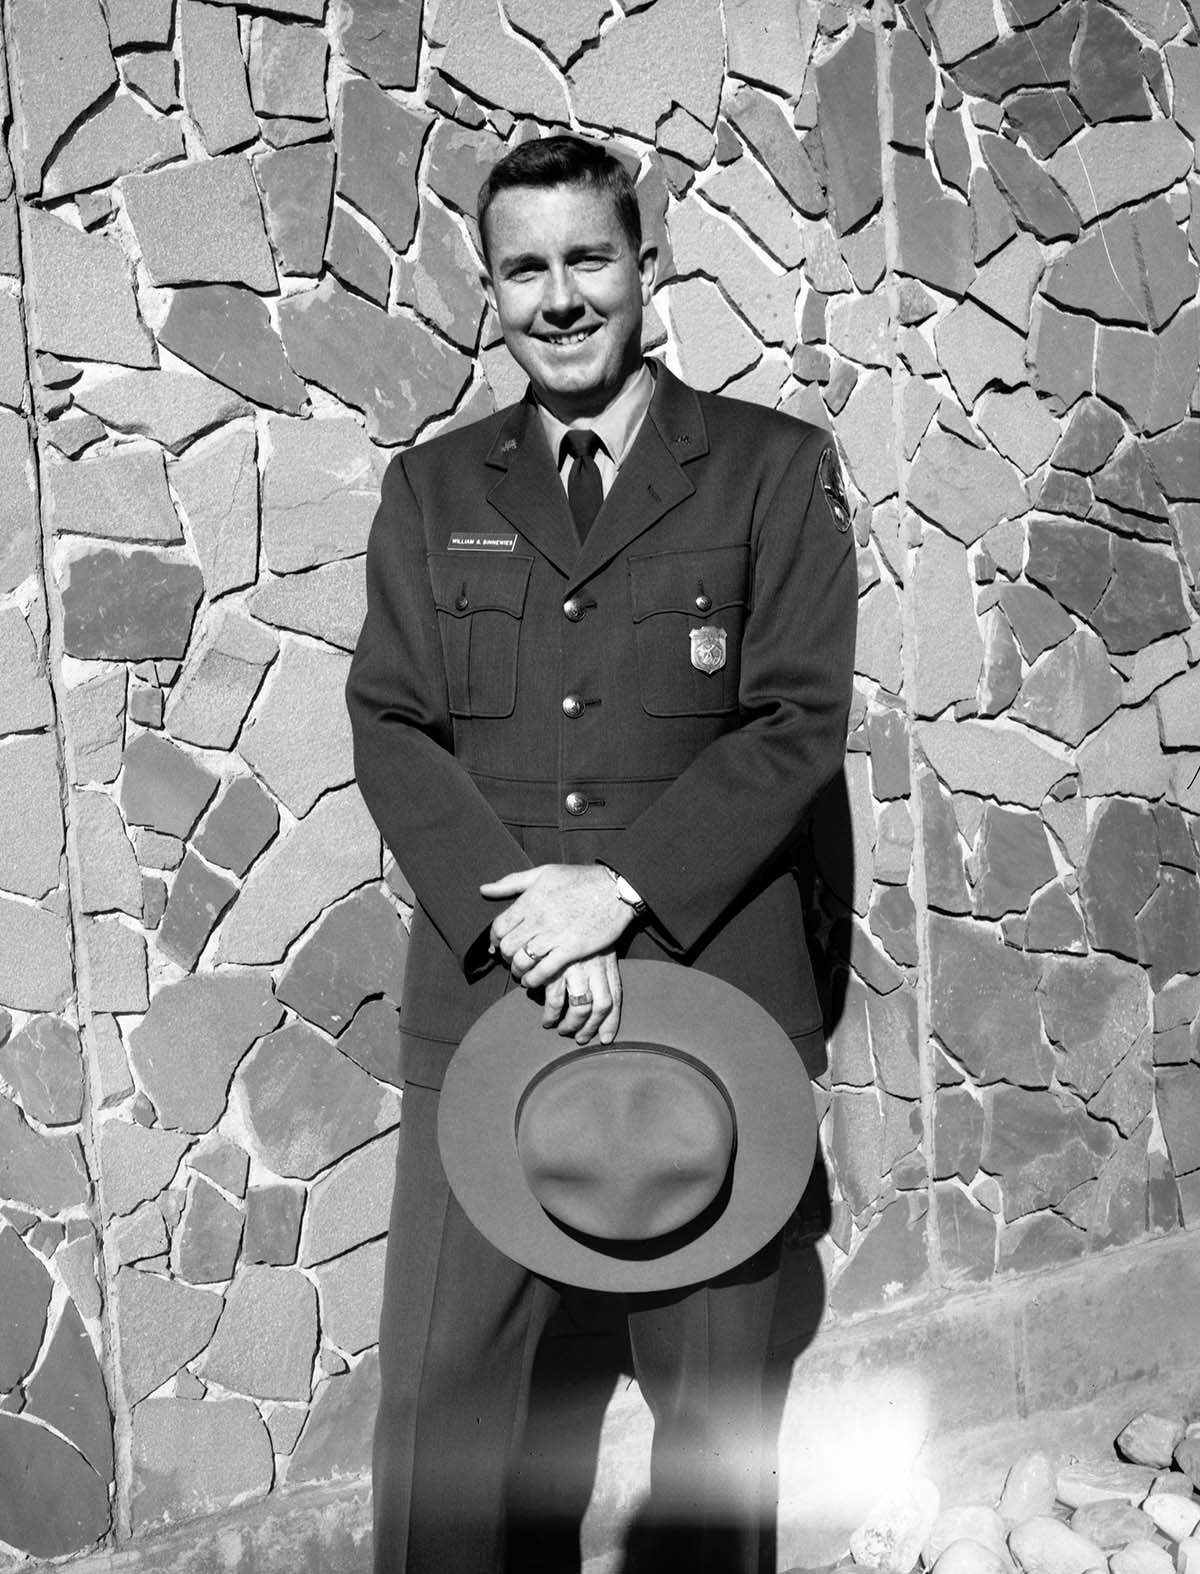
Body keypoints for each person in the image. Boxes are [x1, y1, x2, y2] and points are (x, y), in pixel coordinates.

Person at [346, 133, 857, 1574]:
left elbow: (796, 720)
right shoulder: (433, 493)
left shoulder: (772, 471)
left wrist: (615, 891)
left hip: (706, 1005)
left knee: (709, 1429)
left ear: (647, 266)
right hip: (492, 1011)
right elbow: (391, 719)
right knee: (440, 1417)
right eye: (525, 268)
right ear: (488, 290)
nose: (559, 296)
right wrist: (523, 921)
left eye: (588, 257)